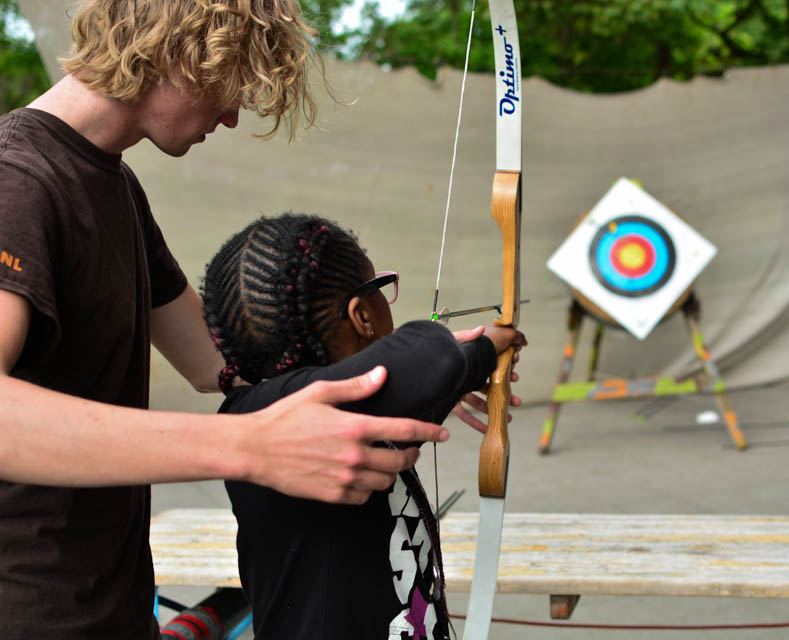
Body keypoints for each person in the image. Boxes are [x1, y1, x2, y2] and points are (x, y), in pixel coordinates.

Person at [0, 1, 510, 637]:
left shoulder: (113, 184)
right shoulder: (17, 181)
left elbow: (223, 360)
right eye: (228, 82)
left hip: (109, 599)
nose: (233, 114)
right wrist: (249, 445)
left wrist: (412, 371)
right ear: (179, 51)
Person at [200, 213, 525, 639]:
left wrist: (450, 381)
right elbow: (429, 362)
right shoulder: (257, 416)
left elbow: (410, 378)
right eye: (379, 289)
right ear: (362, 317)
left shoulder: (353, 406)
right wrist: (484, 348)